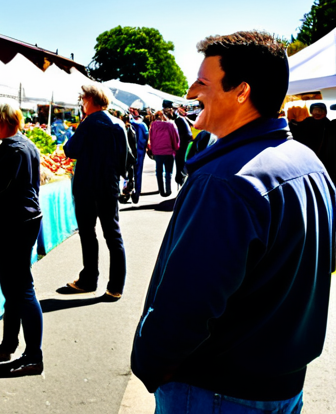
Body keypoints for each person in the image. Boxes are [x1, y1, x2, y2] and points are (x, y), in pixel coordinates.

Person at [131, 31, 335, 414]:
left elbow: (188, 301)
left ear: (241, 91)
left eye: (203, 83)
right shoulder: (308, 163)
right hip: (281, 384)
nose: (191, 92)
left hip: (217, 388)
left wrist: (149, 362)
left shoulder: (227, 179)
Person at [0, 98, 44, 377]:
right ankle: (8, 345)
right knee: (14, 289)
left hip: (14, 223)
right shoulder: (22, 144)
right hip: (23, 220)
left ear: (1, 122)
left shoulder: (13, 149)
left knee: (21, 289)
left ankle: (33, 356)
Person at [59, 84, 127, 299]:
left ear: (90, 100)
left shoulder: (89, 123)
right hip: (109, 185)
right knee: (113, 235)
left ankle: (89, 279)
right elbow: (126, 159)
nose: (82, 103)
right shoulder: (118, 123)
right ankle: (116, 286)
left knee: (88, 234)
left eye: (83, 99)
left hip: (87, 185)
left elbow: (71, 149)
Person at [147, 110, 180, 197]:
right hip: (169, 151)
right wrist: (176, 148)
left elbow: (151, 138)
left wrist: (152, 149)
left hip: (157, 151)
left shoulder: (153, 125)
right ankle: (168, 189)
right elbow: (175, 138)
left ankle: (161, 190)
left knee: (159, 171)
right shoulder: (171, 125)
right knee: (168, 172)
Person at [129, 108, 149, 203]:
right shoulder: (143, 125)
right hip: (140, 152)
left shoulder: (130, 124)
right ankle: (136, 193)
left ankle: (128, 190)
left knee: (128, 172)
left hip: (130, 151)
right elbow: (146, 138)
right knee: (138, 173)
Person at [171, 105, 194, 186]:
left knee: (180, 162)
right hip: (186, 142)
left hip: (182, 143)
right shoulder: (182, 119)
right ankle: (180, 179)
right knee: (182, 162)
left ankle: (180, 179)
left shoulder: (178, 120)